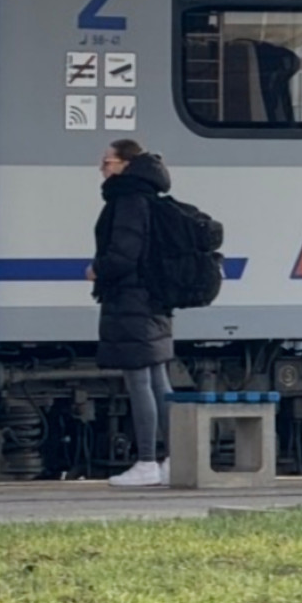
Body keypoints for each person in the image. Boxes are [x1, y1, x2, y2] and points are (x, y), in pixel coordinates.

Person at [89, 139, 174, 488]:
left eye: (107, 162)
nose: (102, 169)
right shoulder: (149, 197)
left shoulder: (127, 200)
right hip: (151, 299)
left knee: (139, 381)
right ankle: (175, 458)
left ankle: (147, 462)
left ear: (124, 164)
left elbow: (124, 254)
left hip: (131, 300)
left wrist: (98, 269)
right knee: (157, 380)